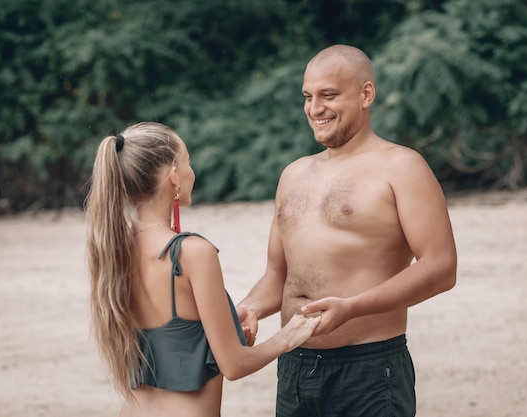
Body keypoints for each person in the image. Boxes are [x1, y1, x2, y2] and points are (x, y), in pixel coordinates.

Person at [236, 44, 458, 417]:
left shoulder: (402, 167)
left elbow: (440, 267)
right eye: (308, 97)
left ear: (365, 94)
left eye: (329, 95)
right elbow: (278, 275)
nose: (315, 108)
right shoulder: (293, 174)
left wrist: (352, 308)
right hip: (293, 365)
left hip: (369, 370)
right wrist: (249, 307)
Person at [84, 121, 321, 417]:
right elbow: (234, 366)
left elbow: (171, 342)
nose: (190, 171)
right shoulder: (192, 252)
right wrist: (288, 336)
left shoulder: (114, 250)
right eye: (187, 162)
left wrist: (224, 332)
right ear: (174, 176)